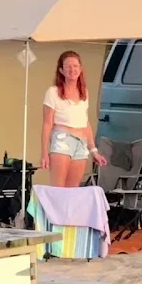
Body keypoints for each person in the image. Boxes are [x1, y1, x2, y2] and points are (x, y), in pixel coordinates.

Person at [40, 50, 106, 187]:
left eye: (75, 66)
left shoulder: (84, 93)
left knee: (73, 189)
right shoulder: (53, 92)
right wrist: (44, 153)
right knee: (58, 187)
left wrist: (94, 150)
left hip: (81, 142)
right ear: (61, 70)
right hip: (62, 139)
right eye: (68, 66)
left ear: (80, 69)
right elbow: (47, 123)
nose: (72, 70)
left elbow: (85, 123)